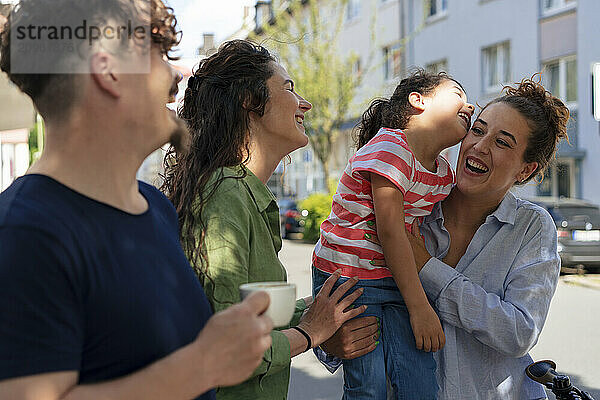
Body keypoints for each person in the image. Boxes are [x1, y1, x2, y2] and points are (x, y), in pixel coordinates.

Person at [0, 2, 273, 399]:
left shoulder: (154, 207)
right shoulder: (26, 235)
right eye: (160, 52)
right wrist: (202, 365)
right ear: (109, 69)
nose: (177, 74)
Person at [318, 76, 570, 399]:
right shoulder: (411, 209)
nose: (479, 146)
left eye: (502, 142)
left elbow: (518, 332)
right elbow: (346, 279)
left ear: (525, 170)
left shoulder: (532, 228)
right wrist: (329, 340)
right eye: (477, 130)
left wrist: (426, 267)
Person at [161, 39, 367, 400]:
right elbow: (229, 345)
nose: (306, 102)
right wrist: (310, 335)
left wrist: (325, 311)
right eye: (288, 88)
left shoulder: (239, 192)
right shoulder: (225, 194)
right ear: (250, 101)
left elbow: (257, 315)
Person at [311, 70, 475, 399]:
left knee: (419, 383)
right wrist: (419, 306)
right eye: (458, 94)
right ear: (419, 101)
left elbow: (413, 231)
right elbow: (391, 231)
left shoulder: (442, 174)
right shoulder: (390, 146)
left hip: (392, 276)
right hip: (349, 277)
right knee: (368, 386)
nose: (470, 107)